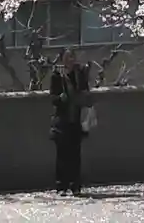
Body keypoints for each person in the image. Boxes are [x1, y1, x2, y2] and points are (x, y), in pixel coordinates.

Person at [48, 49, 95, 195]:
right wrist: (59, 98)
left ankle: (75, 185)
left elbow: (86, 93)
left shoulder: (79, 74)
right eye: (67, 57)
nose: (70, 60)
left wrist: (84, 96)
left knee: (75, 155)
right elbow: (52, 98)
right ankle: (61, 185)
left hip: (76, 119)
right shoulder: (57, 76)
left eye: (72, 57)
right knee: (62, 155)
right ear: (62, 59)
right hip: (62, 120)